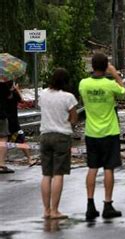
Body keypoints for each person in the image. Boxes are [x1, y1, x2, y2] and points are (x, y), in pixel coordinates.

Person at [79, 53, 125, 220]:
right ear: (106, 66)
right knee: (108, 168)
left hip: (91, 132)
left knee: (92, 167)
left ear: (92, 66)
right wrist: (115, 74)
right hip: (109, 131)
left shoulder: (83, 84)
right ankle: (107, 204)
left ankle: (90, 205)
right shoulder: (110, 84)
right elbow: (123, 92)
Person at [38, 68, 78, 219]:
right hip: (61, 137)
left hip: (45, 135)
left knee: (46, 175)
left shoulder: (43, 95)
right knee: (58, 174)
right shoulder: (68, 97)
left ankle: (46, 210)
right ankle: (55, 210)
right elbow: (74, 119)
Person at [6, 82, 33, 165]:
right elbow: (22, 101)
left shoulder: (2, 94)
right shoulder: (14, 94)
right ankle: (29, 159)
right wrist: (17, 90)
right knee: (21, 139)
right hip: (14, 123)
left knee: (5, 140)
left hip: (4, 121)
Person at [0, 81, 14, 174]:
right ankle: (1, 164)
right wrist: (12, 90)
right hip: (1, 115)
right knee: (3, 138)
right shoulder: (2, 84)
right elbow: (9, 97)